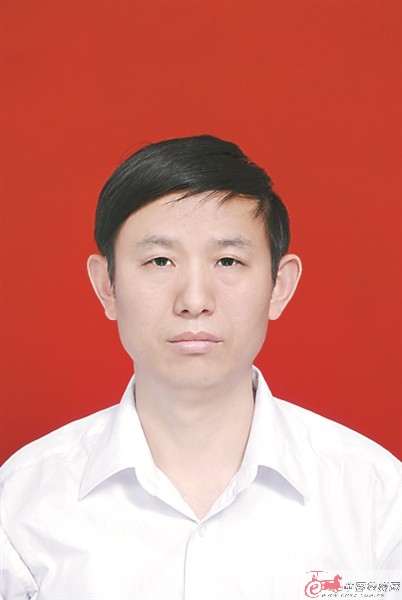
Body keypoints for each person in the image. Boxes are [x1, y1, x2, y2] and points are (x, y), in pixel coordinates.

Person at [1, 135, 400, 600]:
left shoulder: (375, 496)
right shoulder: (22, 502)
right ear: (107, 285)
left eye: (228, 260)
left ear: (279, 286)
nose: (194, 300)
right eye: (160, 260)